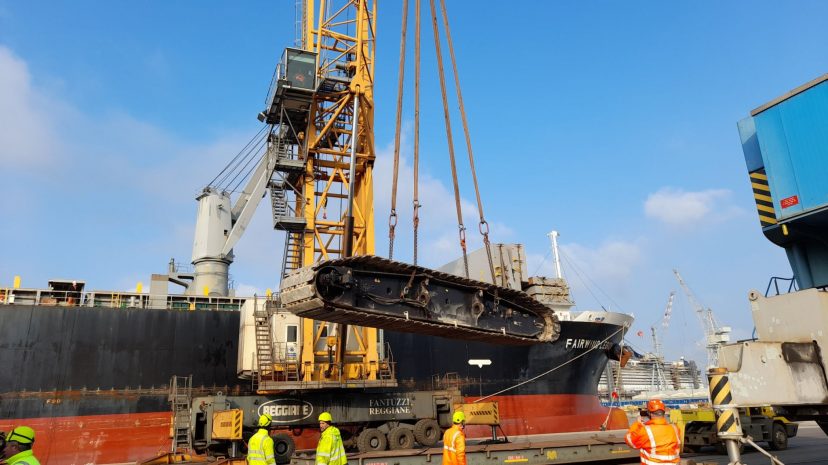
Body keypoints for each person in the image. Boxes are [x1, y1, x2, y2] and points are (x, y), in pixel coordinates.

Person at [625, 399, 682, 465]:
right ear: (663, 412)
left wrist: (637, 424)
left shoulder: (645, 430)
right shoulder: (674, 428)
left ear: (650, 413)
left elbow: (630, 441)